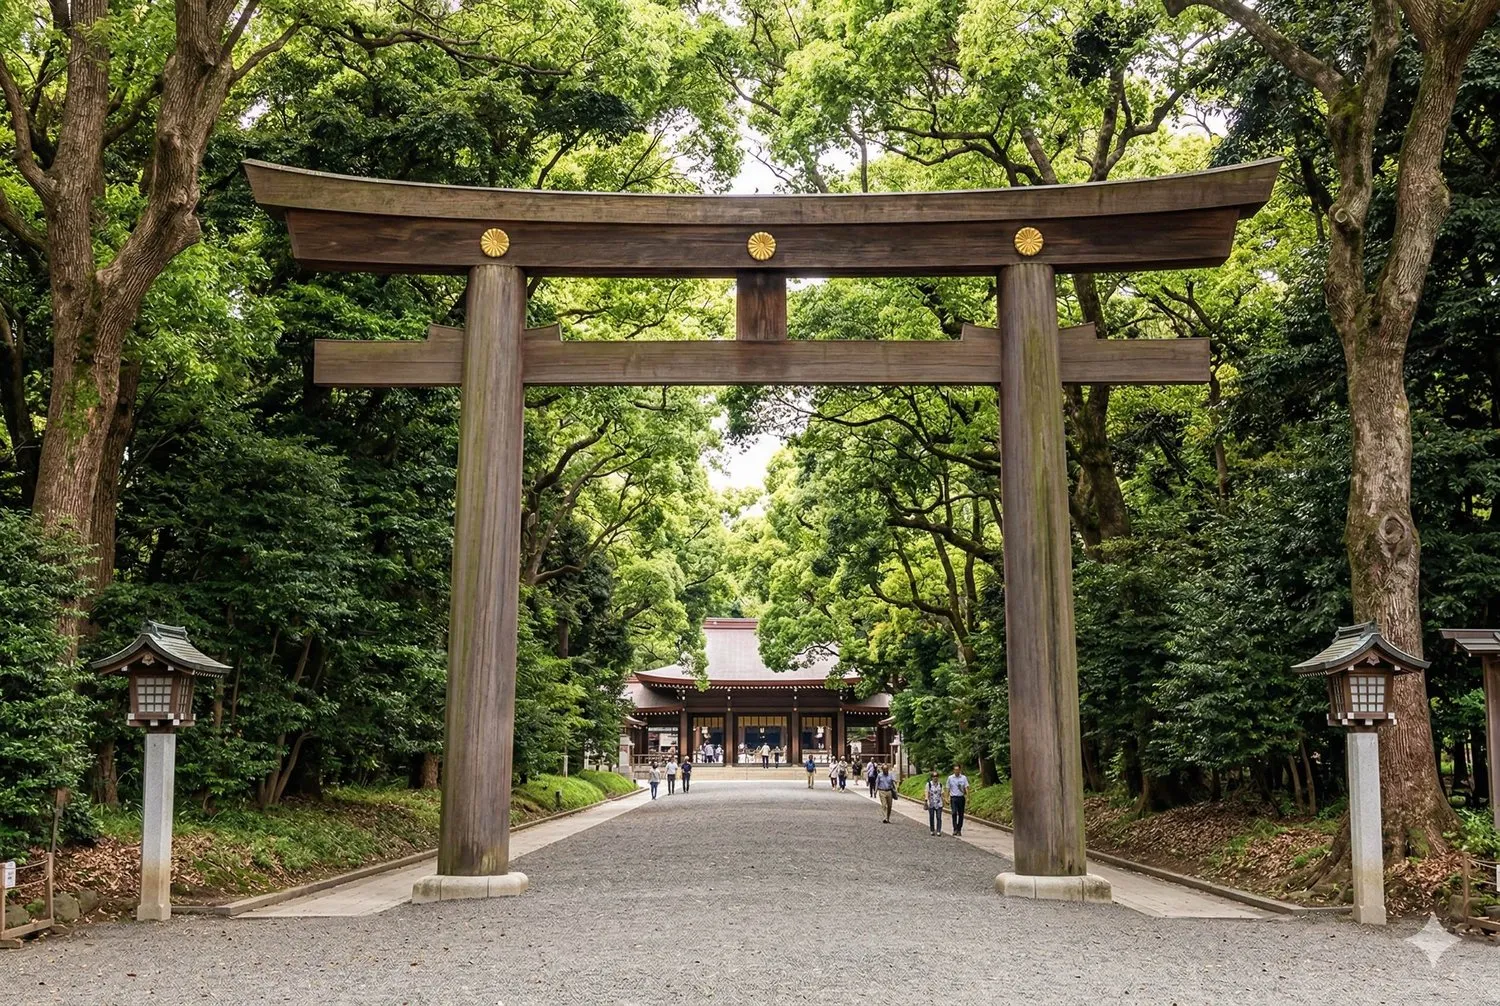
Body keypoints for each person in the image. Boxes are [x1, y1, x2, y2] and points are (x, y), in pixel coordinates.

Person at [947, 763, 970, 836]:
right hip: (953, 797)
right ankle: (955, 828)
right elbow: (948, 788)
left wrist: (968, 797)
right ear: (953, 770)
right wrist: (946, 797)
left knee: (961, 814)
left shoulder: (963, 778)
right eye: (955, 770)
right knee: (954, 813)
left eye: (958, 769)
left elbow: (966, 787)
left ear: (960, 770)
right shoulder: (950, 778)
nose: (957, 771)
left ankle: (959, 829)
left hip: (961, 797)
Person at [925, 770, 945, 835]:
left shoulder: (940, 785)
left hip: (939, 803)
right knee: (931, 817)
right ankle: (932, 830)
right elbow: (926, 792)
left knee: (939, 817)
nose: (935, 777)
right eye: (934, 776)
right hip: (931, 803)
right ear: (932, 777)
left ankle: (938, 830)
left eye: (936, 776)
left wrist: (944, 801)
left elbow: (942, 794)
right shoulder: (929, 784)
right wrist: (926, 800)